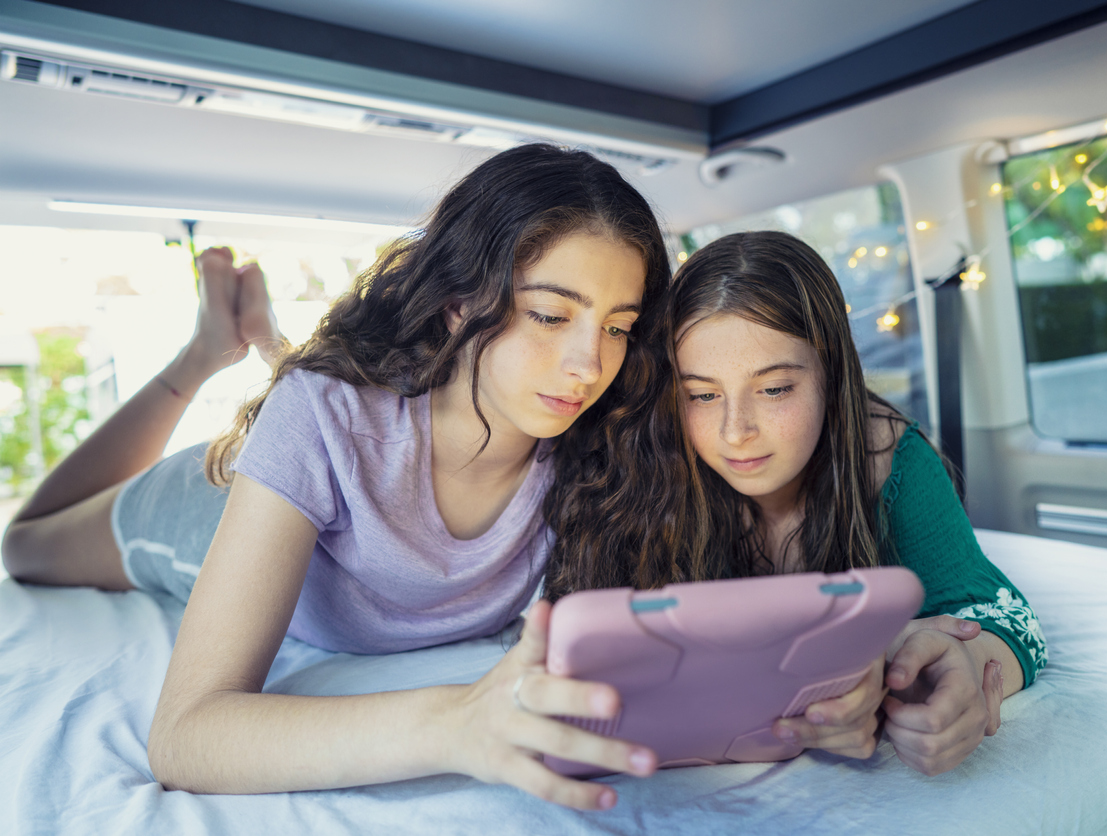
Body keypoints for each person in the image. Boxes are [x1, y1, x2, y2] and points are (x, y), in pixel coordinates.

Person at [1, 144, 672, 810]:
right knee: (23, 547)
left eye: (618, 327)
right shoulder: (326, 414)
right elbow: (184, 738)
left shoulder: (601, 440)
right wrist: (453, 724)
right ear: (458, 303)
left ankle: (257, 345)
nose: (588, 364)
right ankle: (206, 353)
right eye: (550, 316)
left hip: (318, 437)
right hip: (206, 504)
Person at [544, 230, 1048, 777]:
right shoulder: (646, 459)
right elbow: (582, 645)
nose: (736, 432)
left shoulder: (889, 457)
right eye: (702, 395)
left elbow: (1006, 616)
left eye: (775, 389)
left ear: (831, 376)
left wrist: (965, 666)